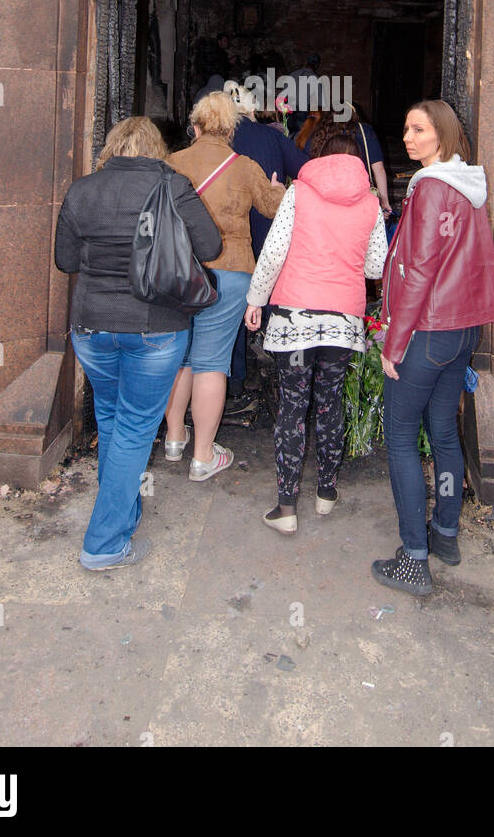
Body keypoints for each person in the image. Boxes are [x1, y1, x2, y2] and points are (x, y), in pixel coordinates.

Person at [54, 117, 222, 571]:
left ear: (112, 147)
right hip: (155, 328)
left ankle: (123, 513)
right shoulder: (173, 185)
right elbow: (209, 247)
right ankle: (104, 544)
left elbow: (65, 259)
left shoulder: (82, 189)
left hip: (90, 327)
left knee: (112, 418)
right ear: (156, 149)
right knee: (132, 429)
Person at [373, 99, 494, 595]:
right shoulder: (467, 186)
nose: (408, 138)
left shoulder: (430, 187)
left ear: (443, 135)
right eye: (407, 128)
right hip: (462, 331)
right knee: (444, 434)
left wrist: (395, 340)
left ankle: (414, 559)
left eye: (419, 130)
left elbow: (419, 271)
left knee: (402, 437)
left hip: (427, 330)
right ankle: (445, 534)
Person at [245, 133, 388, 533]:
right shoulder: (370, 202)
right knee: (329, 402)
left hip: (295, 318)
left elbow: (274, 251)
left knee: (293, 406)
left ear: (320, 157)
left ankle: (286, 508)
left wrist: (256, 299)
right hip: (342, 319)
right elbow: (376, 266)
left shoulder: (299, 193)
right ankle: (326, 493)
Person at [165, 91, 284, 480]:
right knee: (211, 362)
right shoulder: (244, 166)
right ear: (231, 130)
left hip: (181, 273)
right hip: (231, 274)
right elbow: (274, 208)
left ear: (194, 127)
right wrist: (277, 188)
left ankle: (174, 438)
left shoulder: (172, 164)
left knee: (180, 358)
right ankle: (203, 457)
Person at [223, 81, 307, 412]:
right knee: (270, 302)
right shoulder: (272, 137)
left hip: (226, 240)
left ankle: (234, 380)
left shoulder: (214, 142)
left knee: (228, 309)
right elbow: (305, 169)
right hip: (268, 235)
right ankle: (281, 371)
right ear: (252, 108)